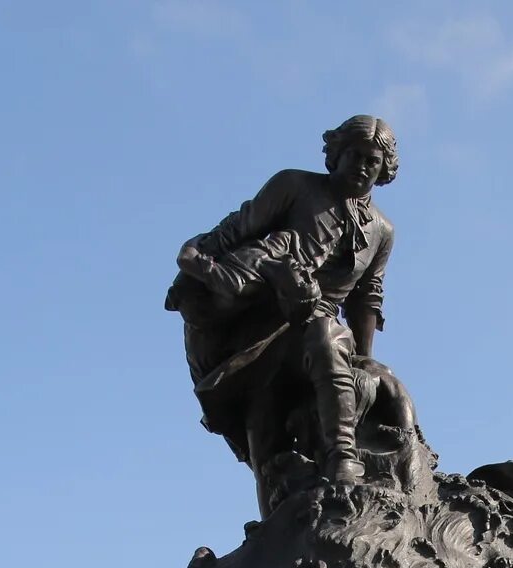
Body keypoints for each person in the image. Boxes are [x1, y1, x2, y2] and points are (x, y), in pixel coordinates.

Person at [166, 114, 399, 506]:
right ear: (336, 154)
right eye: (354, 155)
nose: (362, 166)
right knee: (264, 440)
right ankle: (267, 544)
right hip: (261, 323)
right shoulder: (294, 186)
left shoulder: (381, 231)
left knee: (327, 335)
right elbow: (238, 229)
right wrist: (200, 259)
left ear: (384, 168)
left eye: (372, 160)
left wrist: (364, 359)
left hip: (318, 322)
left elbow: (366, 298)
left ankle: (344, 456)